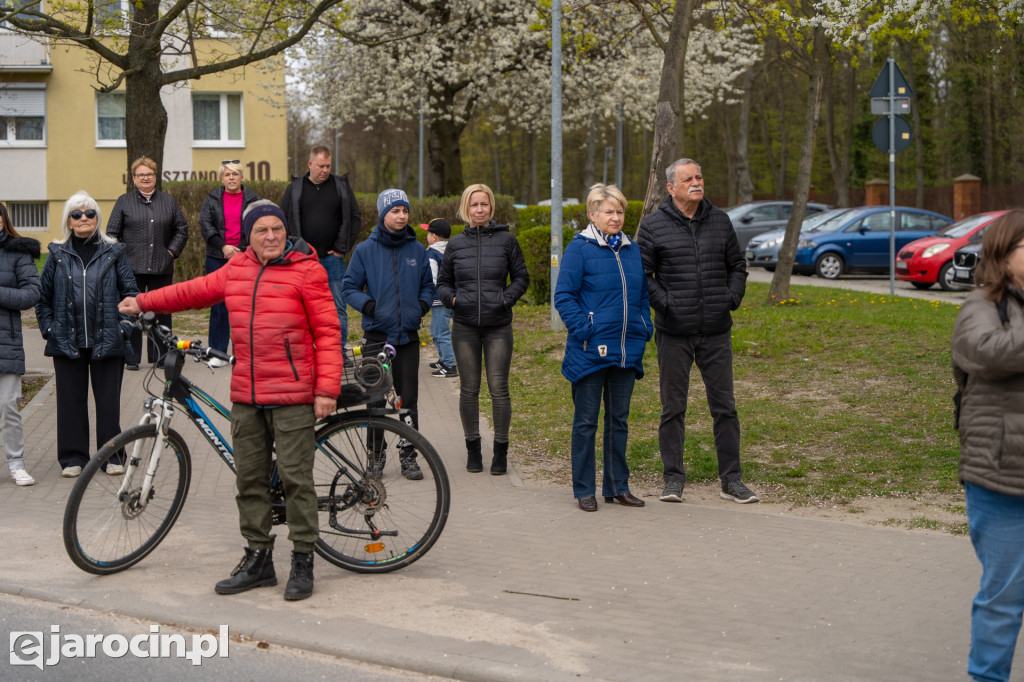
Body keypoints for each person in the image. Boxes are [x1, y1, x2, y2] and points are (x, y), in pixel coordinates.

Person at [119, 200, 343, 601]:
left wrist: (327, 389)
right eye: (262, 231)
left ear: (285, 231)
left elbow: (328, 332)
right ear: (249, 236)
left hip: (293, 394)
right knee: (249, 480)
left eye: (277, 229)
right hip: (247, 393)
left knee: (296, 480)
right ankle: (258, 560)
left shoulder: (308, 270)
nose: (271, 236)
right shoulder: (237, 269)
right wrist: (144, 301)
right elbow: (194, 291)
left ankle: (303, 562)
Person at [635, 158, 758, 504]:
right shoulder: (654, 226)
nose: (696, 182)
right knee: (673, 408)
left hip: (716, 330)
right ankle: (673, 479)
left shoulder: (719, 221)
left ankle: (731, 480)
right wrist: (668, 304)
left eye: (699, 176)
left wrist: (731, 298)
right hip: (674, 332)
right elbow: (643, 276)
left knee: (725, 408)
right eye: (688, 178)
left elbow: (737, 265)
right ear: (671, 188)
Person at [951, 209, 1024, 682]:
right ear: (1005, 252)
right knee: (1003, 601)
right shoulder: (980, 307)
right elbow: (988, 354)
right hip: (1002, 479)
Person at [554, 184, 652, 512]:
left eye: (620, 211)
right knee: (586, 422)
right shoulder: (579, 249)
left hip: (625, 348)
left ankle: (617, 487)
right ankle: (584, 489)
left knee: (619, 420)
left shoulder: (631, 249)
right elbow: (564, 297)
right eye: (609, 211)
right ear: (592, 214)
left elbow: (641, 296)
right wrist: (586, 329)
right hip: (589, 349)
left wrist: (644, 325)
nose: (616, 217)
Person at [36, 191, 138, 478]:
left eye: (89, 213)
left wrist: (123, 327)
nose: (83, 218)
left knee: (108, 406)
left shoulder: (114, 251)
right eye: (77, 214)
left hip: (109, 340)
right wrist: (48, 328)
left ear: (98, 218)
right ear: (68, 220)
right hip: (66, 341)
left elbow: (130, 293)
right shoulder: (56, 253)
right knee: (70, 404)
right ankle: (73, 458)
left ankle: (112, 457)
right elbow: (43, 299)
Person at [341, 189, 434, 481]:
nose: (401, 216)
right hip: (376, 338)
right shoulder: (364, 250)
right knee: (375, 400)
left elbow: (428, 288)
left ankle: (408, 455)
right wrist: (369, 307)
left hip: (407, 338)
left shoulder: (417, 250)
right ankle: (375, 457)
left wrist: (419, 307)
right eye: (395, 211)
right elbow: (349, 288)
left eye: (405, 210)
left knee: (408, 399)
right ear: (383, 214)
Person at [436, 183, 529, 475]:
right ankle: (473, 449)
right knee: (469, 389)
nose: (479, 209)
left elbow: (521, 277)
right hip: (464, 327)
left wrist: (506, 299)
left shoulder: (506, 241)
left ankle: (500, 451)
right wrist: (452, 299)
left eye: (484, 204)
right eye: (474, 205)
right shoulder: (455, 244)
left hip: (498, 326)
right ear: (466, 208)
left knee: (499, 389)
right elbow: (442, 283)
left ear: (491, 208)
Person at [106, 156, 189, 370]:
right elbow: (112, 234)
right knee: (132, 311)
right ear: (134, 179)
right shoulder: (124, 202)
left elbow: (181, 229)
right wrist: (121, 259)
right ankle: (131, 358)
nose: (145, 178)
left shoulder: (168, 201)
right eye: (141, 174)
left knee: (161, 311)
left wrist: (171, 252)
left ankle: (161, 356)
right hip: (130, 269)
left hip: (161, 267)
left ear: (155, 177)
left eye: (149, 174)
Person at [279, 145, 362, 350]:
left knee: (337, 308)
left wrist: (343, 247)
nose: (325, 170)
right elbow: (281, 220)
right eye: (321, 166)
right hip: (302, 260)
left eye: (328, 166)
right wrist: (290, 250)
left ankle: (339, 351)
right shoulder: (295, 188)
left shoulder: (340, 186)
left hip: (333, 259)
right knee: (300, 307)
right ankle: (306, 351)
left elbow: (354, 217)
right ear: (310, 164)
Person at [199, 160, 261, 353]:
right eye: (227, 174)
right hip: (217, 256)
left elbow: (257, 226)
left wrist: (240, 249)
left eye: (235, 174)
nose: (231, 178)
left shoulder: (253, 200)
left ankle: (244, 352)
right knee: (219, 305)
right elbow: (206, 226)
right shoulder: (211, 199)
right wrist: (223, 247)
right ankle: (217, 351)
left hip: (246, 257)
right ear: (222, 178)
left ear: (242, 177)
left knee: (245, 305)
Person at [0, 203, 41, 486]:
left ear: (3, 221)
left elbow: (31, 293)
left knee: (7, 405)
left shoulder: (18, 251)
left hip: (7, 341)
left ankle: (16, 463)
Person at [422, 218, 457, 378]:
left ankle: (449, 364)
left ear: (434, 237)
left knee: (440, 332)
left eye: (428, 233)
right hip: (452, 297)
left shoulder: (431, 254)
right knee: (438, 331)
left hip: (439, 300)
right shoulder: (452, 250)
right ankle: (443, 359)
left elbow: (433, 279)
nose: (427, 236)